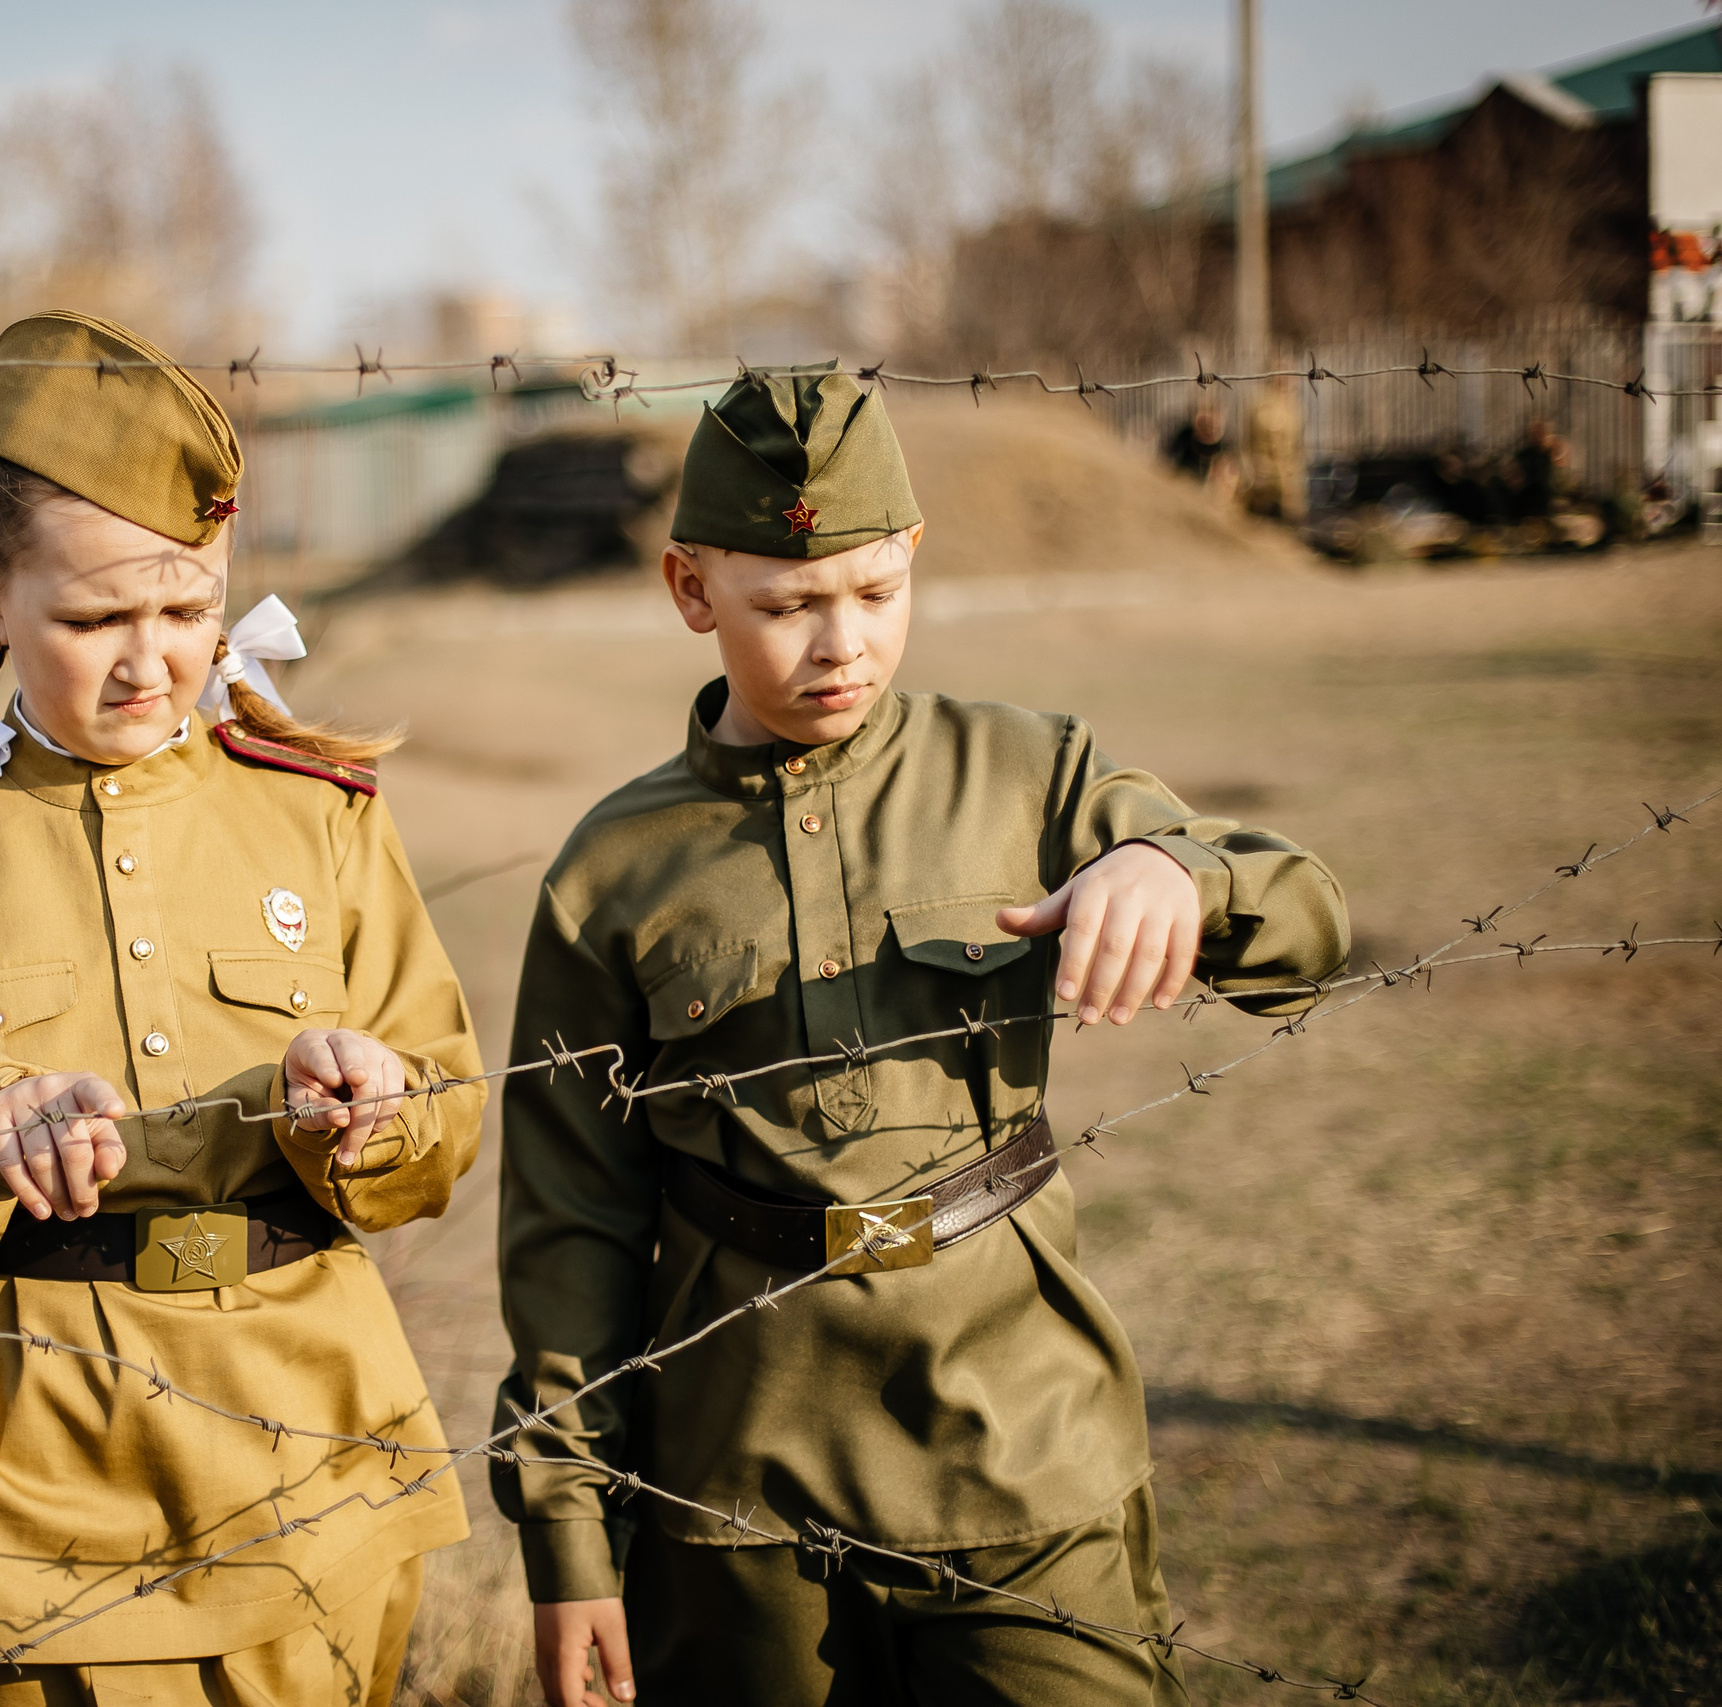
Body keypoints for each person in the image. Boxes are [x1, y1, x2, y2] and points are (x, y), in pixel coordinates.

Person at [494, 363, 1350, 1707]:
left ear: (913, 563)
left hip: (1017, 1442)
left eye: (876, 594)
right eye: (785, 606)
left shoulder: (1029, 772)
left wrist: (1179, 870)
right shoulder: (612, 872)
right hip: (736, 1486)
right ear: (689, 590)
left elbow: (1310, 929)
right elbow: (569, 1224)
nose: (840, 644)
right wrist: (569, 1531)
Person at [0, 310, 485, 1707]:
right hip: (18, 1505)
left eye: (190, 609)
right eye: (95, 620)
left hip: (315, 1471)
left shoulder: (318, 817)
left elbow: (443, 1116)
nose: (155, 664)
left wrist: (370, 1112)